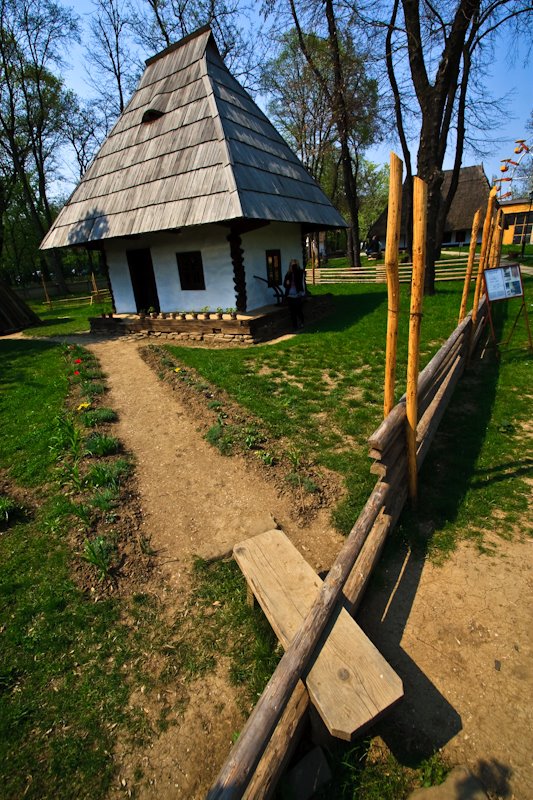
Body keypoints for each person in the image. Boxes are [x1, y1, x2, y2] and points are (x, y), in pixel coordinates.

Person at [283, 259, 305, 330]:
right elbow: (284, 284)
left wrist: (295, 270)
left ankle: (302, 322)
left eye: (295, 265)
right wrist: (287, 284)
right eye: (292, 265)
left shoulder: (299, 273)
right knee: (292, 312)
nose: (293, 267)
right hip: (290, 295)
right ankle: (294, 326)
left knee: (298, 310)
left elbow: (299, 279)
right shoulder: (288, 274)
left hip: (298, 294)